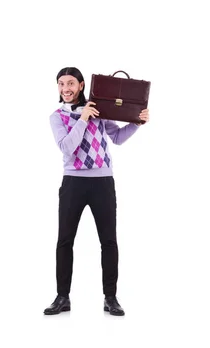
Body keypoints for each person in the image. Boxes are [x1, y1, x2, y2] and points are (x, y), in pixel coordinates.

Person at [44, 67, 150, 316]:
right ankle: (62, 297)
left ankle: (110, 297)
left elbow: (118, 138)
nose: (65, 88)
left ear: (81, 85)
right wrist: (82, 119)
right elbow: (67, 148)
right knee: (65, 241)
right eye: (60, 84)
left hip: (103, 182)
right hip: (73, 183)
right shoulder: (57, 116)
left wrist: (137, 122)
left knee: (109, 241)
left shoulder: (100, 110)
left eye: (70, 83)